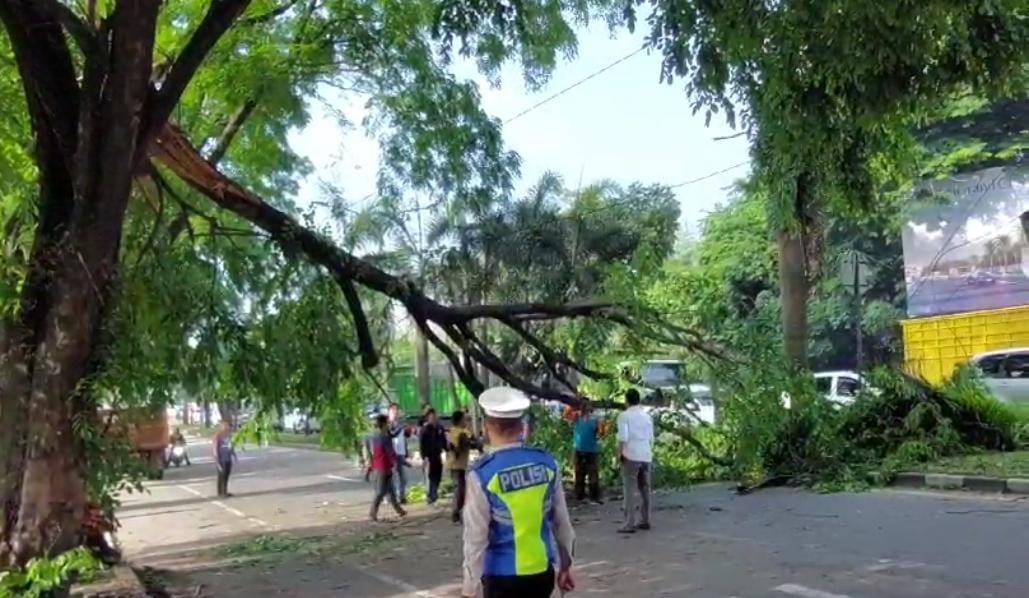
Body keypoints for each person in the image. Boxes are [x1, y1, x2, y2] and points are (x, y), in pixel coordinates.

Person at [462, 387, 576, 598]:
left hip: (501, 577)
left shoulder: (483, 474)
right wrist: (566, 566)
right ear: (522, 426)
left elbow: (475, 537)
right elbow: (562, 523)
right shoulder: (547, 464)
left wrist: (470, 588)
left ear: (487, 427)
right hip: (541, 573)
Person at [617, 389, 654, 533]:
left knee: (629, 489)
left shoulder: (624, 416)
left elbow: (623, 437)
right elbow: (651, 437)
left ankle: (629, 522)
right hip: (645, 453)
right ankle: (645, 519)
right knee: (645, 489)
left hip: (631, 454)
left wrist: (619, 454)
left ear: (626, 400)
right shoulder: (647, 417)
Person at [365, 414, 407, 521]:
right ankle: (372, 513)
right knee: (380, 492)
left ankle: (399, 510)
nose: (389, 425)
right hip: (383, 467)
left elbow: (393, 435)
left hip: (381, 466)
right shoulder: (383, 436)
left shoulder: (375, 435)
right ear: (383, 424)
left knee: (391, 490)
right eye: (387, 423)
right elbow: (390, 452)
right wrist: (399, 462)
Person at [447, 409, 476, 523]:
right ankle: (456, 513)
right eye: (464, 419)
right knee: (459, 490)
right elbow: (458, 446)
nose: (466, 421)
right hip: (456, 465)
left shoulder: (461, 431)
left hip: (460, 465)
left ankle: (457, 512)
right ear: (459, 420)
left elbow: (472, 441)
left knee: (461, 489)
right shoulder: (457, 432)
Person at [572, 402, 603, 503]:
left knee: (593, 473)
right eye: (583, 406)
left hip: (592, 449)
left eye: (586, 406)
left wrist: (600, 427)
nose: (584, 408)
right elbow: (567, 415)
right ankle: (579, 495)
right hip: (579, 448)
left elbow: (600, 433)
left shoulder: (595, 419)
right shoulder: (576, 417)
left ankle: (594, 496)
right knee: (579, 472)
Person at [419, 408, 447, 504]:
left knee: (438, 475)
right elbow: (422, 444)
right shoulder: (425, 430)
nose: (434, 418)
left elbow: (443, 441)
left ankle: (434, 493)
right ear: (428, 418)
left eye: (434, 416)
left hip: (437, 455)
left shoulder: (439, 428)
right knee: (430, 476)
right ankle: (431, 495)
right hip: (429, 456)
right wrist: (424, 457)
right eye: (431, 417)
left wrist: (447, 448)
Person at [388, 402, 410, 503]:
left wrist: (406, 453)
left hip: (400, 453)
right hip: (392, 453)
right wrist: (392, 422)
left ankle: (402, 496)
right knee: (393, 476)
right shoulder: (388, 423)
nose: (396, 412)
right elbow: (392, 433)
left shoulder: (400, 422)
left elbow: (404, 437)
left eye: (397, 410)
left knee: (403, 477)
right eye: (393, 410)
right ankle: (392, 497)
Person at [213, 420, 237, 497]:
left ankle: (224, 491)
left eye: (228, 426)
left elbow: (231, 446)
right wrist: (216, 459)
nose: (228, 427)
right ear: (221, 427)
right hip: (221, 458)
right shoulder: (218, 436)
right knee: (222, 475)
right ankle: (221, 492)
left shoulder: (229, 436)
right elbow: (215, 448)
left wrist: (234, 455)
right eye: (225, 426)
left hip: (228, 458)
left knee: (226, 475)